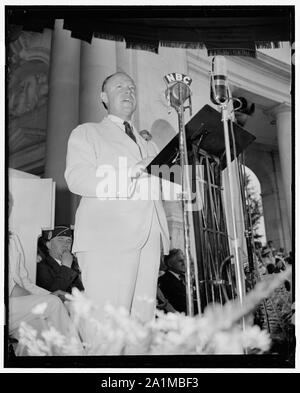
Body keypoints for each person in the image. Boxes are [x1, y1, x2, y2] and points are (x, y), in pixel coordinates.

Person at [64, 72, 170, 323]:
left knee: (141, 327)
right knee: (108, 327)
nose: (128, 91)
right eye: (119, 86)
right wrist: (131, 173)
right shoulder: (87, 133)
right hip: (107, 237)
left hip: (150, 238)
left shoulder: (149, 144)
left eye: (132, 87)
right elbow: (77, 178)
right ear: (104, 97)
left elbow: (160, 188)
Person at [8, 193, 82, 355]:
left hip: (21, 307)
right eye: (61, 239)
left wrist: (51, 295)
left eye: (69, 240)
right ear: (48, 243)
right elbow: (13, 288)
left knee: (39, 335)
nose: (67, 243)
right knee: (54, 304)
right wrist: (66, 268)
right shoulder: (43, 267)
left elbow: (24, 281)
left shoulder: (13, 240)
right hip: (10, 304)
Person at [36, 226, 84, 296]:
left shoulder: (73, 265)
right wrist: (66, 267)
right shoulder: (41, 267)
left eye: (69, 241)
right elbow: (52, 296)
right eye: (60, 240)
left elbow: (80, 291)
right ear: (49, 245)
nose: (65, 244)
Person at [158, 249, 198, 314]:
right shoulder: (164, 280)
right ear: (170, 264)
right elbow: (179, 304)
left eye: (184, 260)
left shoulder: (187, 278)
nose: (184, 263)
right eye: (180, 261)